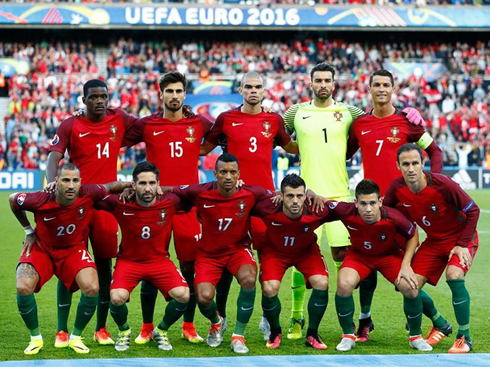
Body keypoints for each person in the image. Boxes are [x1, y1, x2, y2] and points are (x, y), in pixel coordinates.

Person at [282, 62, 424, 341]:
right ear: (310, 83)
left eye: (327, 80)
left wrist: (410, 112)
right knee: (299, 256)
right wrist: (301, 149)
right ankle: (296, 317)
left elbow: (374, 119)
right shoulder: (295, 112)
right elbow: (279, 133)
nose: (323, 84)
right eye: (318, 80)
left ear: (334, 84)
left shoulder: (350, 112)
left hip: (339, 197)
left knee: (343, 256)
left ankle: (349, 317)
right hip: (305, 197)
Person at [345, 69, 443, 341]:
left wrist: (433, 184)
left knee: (403, 275)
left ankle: (438, 320)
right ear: (369, 89)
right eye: (376, 84)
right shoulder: (360, 124)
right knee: (366, 260)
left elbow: (435, 151)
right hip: (370, 206)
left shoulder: (407, 121)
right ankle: (364, 320)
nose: (381, 89)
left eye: (386, 85)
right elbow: (344, 154)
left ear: (393, 89)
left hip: (402, 209)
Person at [200, 71, 298, 338]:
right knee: (224, 258)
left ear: (264, 90)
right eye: (248, 87)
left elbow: (292, 148)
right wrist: (189, 118)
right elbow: (203, 148)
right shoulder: (226, 119)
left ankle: (267, 318)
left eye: (258, 87)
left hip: (265, 200)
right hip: (233, 199)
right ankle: (219, 320)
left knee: (267, 258)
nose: (253, 91)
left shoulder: (273, 119)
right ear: (240, 90)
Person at [123, 71, 211, 344]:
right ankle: (147, 326)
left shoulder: (198, 122)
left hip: (187, 207)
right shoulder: (147, 124)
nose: (174, 96)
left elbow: (223, 131)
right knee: (149, 266)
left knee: (190, 267)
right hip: (153, 206)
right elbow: (115, 131)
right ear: (160, 94)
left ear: (185, 95)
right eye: (169, 91)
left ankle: (188, 324)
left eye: (178, 91)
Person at [46, 79, 137, 347]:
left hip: (105, 205)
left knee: (104, 266)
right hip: (76, 206)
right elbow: (54, 156)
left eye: (104, 96)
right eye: (94, 97)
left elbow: (150, 126)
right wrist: (53, 183)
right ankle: (62, 330)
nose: (100, 101)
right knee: (66, 267)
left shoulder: (119, 119)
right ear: (84, 100)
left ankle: (101, 328)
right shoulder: (70, 124)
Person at [9, 163, 131, 355]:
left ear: (81, 182)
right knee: (23, 286)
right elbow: (13, 200)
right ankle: (35, 339)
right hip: (43, 249)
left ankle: (75, 337)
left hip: (74, 250)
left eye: (75, 180)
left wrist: (133, 186)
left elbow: (112, 186)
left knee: (92, 288)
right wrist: (28, 231)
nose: (71, 185)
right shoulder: (40, 199)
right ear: (56, 182)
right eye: (66, 180)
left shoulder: (88, 192)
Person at [169, 153, 274, 354]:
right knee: (204, 298)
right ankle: (216, 323)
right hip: (208, 255)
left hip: (238, 250)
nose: (228, 176)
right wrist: (150, 188)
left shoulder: (250, 193)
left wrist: (311, 195)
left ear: (238, 175)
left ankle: (238, 336)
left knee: (250, 280)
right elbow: (170, 190)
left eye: (232, 172)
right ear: (215, 173)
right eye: (223, 172)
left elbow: (279, 195)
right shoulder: (201, 192)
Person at [384, 144, 480, 354]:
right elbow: (387, 212)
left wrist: (462, 244)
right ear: (398, 166)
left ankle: (465, 336)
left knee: (454, 274)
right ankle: (440, 323)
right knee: (407, 285)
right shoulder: (396, 188)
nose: (410, 169)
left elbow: (473, 210)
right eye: (405, 164)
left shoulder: (443, 184)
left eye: (415, 163)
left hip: (460, 239)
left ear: (423, 164)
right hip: (434, 241)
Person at [324, 179, 431, 352]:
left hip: (389, 257)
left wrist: (406, 264)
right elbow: (325, 203)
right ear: (356, 202)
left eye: (373, 203)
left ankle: (416, 336)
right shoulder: (346, 210)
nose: (368, 209)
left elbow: (413, 235)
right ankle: (348, 336)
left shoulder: (393, 217)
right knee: (344, 284)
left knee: (411, 287)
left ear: (380, 202)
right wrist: (311, 195)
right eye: (363, 204)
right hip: (359, 257)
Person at [95, 161, 190, 352]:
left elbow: (200, 193)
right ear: (133, 185)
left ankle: (161, 330)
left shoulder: (171, 202)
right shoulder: (120, 202)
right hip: (129, 262)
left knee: (183, 295)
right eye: (142, 184)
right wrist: (120, 187)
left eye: (152, 183)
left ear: (158, 184)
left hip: (159, 261)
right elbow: (90, 197)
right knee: (116, 297)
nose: (148, 188)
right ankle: (124, 331)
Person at [252, 174, 330, 350]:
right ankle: (275, 332)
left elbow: (345, 210)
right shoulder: (267, 206)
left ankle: (312, 334)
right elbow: (242, 201)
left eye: (300, 196)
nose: (295, 201)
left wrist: (320, 197)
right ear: (281, 195)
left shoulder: (315, 207)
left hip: (306, 252)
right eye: (290, 196)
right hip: (275, 252)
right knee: (269, 287)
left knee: (322, 282)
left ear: (305, 195)